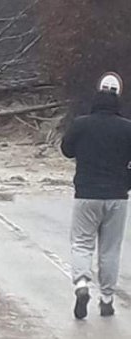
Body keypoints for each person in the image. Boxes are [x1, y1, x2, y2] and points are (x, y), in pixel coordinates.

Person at [61, 71, 131, 319]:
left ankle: (81, 285)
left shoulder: (82, 123)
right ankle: (107, 299)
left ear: (97, 94)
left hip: (86, 193)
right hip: (117, 196)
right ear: (118, 96)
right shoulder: (127, 129)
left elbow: (66, 150)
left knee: (81, 243)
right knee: (110, 250)